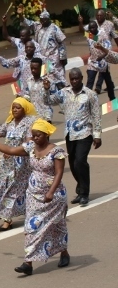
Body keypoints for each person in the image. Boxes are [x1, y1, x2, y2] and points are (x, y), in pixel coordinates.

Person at [0, 119, 70, 275]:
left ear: (46, 135)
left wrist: (51, 192)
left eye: (38, 135)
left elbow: (59, 173)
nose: (35, 138)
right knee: (31, 227)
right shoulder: (30, 148)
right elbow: (10, 150)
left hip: (54, 196)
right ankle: (28, 262)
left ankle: (64, 252)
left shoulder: (57, 152)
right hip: (34, 194)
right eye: (33, 135)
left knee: (56, 225)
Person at [43, 69, 102, 206]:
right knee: (73, 164)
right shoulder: (65, 93)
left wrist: (97, 135)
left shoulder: (90, 95)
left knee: (80, 162)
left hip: (85, 133)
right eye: (72, 79)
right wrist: (46, 90)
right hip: (70, 134)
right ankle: (80, 189)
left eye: (77, 79)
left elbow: (96, 116)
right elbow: (48, 101)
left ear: (82, 78)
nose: (74, 81)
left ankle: (85, 193)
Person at [0, 98, 37, 231]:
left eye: (18, 108)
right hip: (7, 164)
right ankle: (9, 216)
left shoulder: (29, 123)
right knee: (5, 188)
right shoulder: (10, 122)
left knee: (16, 190)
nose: (14, 110)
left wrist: (13, 151)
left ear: (24, 109)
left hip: (22, 164)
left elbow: (29, 144)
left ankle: (8, 220)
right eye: (13, 107)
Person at [21, 10, 67, 87]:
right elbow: (28, 23)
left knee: (55, 76)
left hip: (53, 57)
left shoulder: (55, 28)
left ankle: (60, 89)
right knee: (44, 77)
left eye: (43, 19)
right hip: (41, 58)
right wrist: (20, 15)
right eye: (40, 19)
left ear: (47, 19)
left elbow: (61, 43)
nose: (41, 21)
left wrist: (63, 57)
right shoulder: (38, 26)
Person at [78, 18, 115, 101]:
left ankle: (112, 99)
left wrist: (101, 56)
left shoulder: (103, 36)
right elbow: (81, 31)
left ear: (96, 27)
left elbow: (108, 49)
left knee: (108, 83)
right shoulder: (90, 35)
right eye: (90, 28)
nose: (91, 30)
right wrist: (80, 22)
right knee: (90, 82)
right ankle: (85, 102)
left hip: (103, 62)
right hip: (93, 63)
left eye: (93, 28)